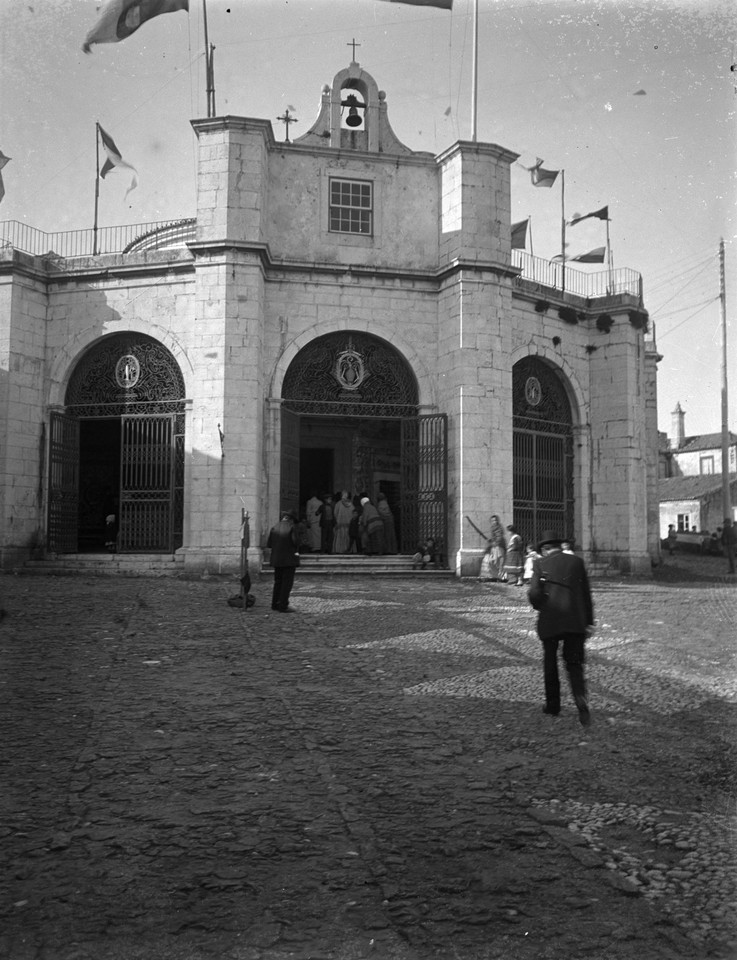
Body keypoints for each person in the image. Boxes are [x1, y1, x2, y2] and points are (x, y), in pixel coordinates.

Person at [528, 529, 594, 726]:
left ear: (546, 548)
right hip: (575, 621)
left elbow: (534, 594)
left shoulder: (540, 564)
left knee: (550, 663)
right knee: (574, 664)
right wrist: (589, 621)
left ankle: (553, 705)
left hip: (551, 620)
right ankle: (581, 702)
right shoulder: (577, 562)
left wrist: (540, 605)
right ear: (559, 546)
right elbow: (586, 594)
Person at [266, 510, 300, 612]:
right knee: (287, 583)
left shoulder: (274, 527)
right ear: (291, 519)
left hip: (277, 559)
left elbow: (269, 544)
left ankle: (275, 604)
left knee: (278, 582)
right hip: (289, 560)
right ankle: (283, 605)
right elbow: (296, 542)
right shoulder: (292, 527)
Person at [487, 515, 506, 581]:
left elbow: (499, 537)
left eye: (495, 520)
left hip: (499, 547)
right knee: (492, 561)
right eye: (492, 521)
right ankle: (495, 576)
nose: (494, 522)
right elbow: (493, 538)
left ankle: (501, 577)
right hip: (494, 547)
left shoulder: (499, 528)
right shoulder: (492, 528)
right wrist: (491, 542)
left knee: (499, 562)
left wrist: (495, 542)